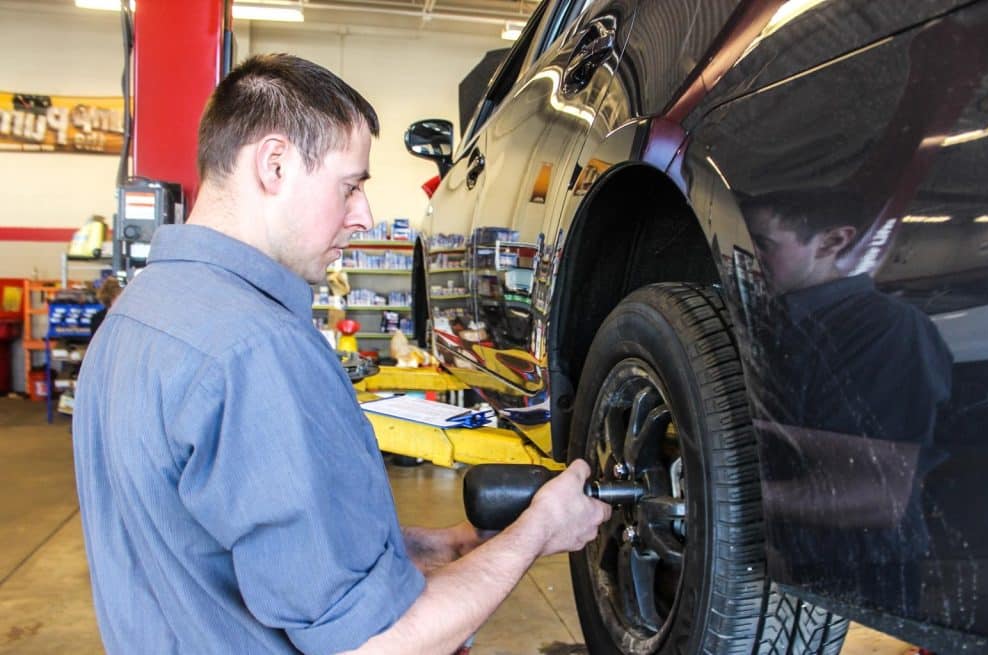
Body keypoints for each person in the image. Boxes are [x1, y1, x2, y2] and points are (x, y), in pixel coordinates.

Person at [72, 53, 610, 655]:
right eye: (350, 186)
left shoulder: (136, 315)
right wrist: (539, 532)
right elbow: (377, 645)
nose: (365, 217)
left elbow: (224, 543)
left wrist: (437, 547)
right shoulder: (256, 351)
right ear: (273, 165)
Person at [740, 188, 953, 613]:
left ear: (833, 241)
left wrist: (732, 494)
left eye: (763, 245)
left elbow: (880, 494)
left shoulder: (886, 332)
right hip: (794, 558)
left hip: (863, 569)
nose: (749, 258)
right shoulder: (776, 322)